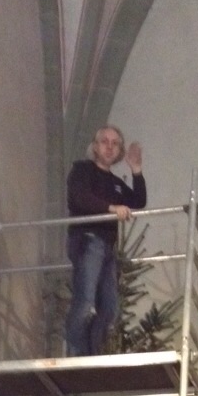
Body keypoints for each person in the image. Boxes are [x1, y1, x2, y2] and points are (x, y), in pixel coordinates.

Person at [64, 124, 146, 357]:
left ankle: (90, 355)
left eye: (115, 143)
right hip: (87, 240)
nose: (109, 147)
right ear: (95, 147)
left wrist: (136, 171)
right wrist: (111, 208)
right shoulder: (82, 170)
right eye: (104, 142)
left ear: (120, 151)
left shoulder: (115, 183)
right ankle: (75, 356)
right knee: (85, 302)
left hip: (107, 248)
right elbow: (80, 198)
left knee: (109, 309)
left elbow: (138, 201)